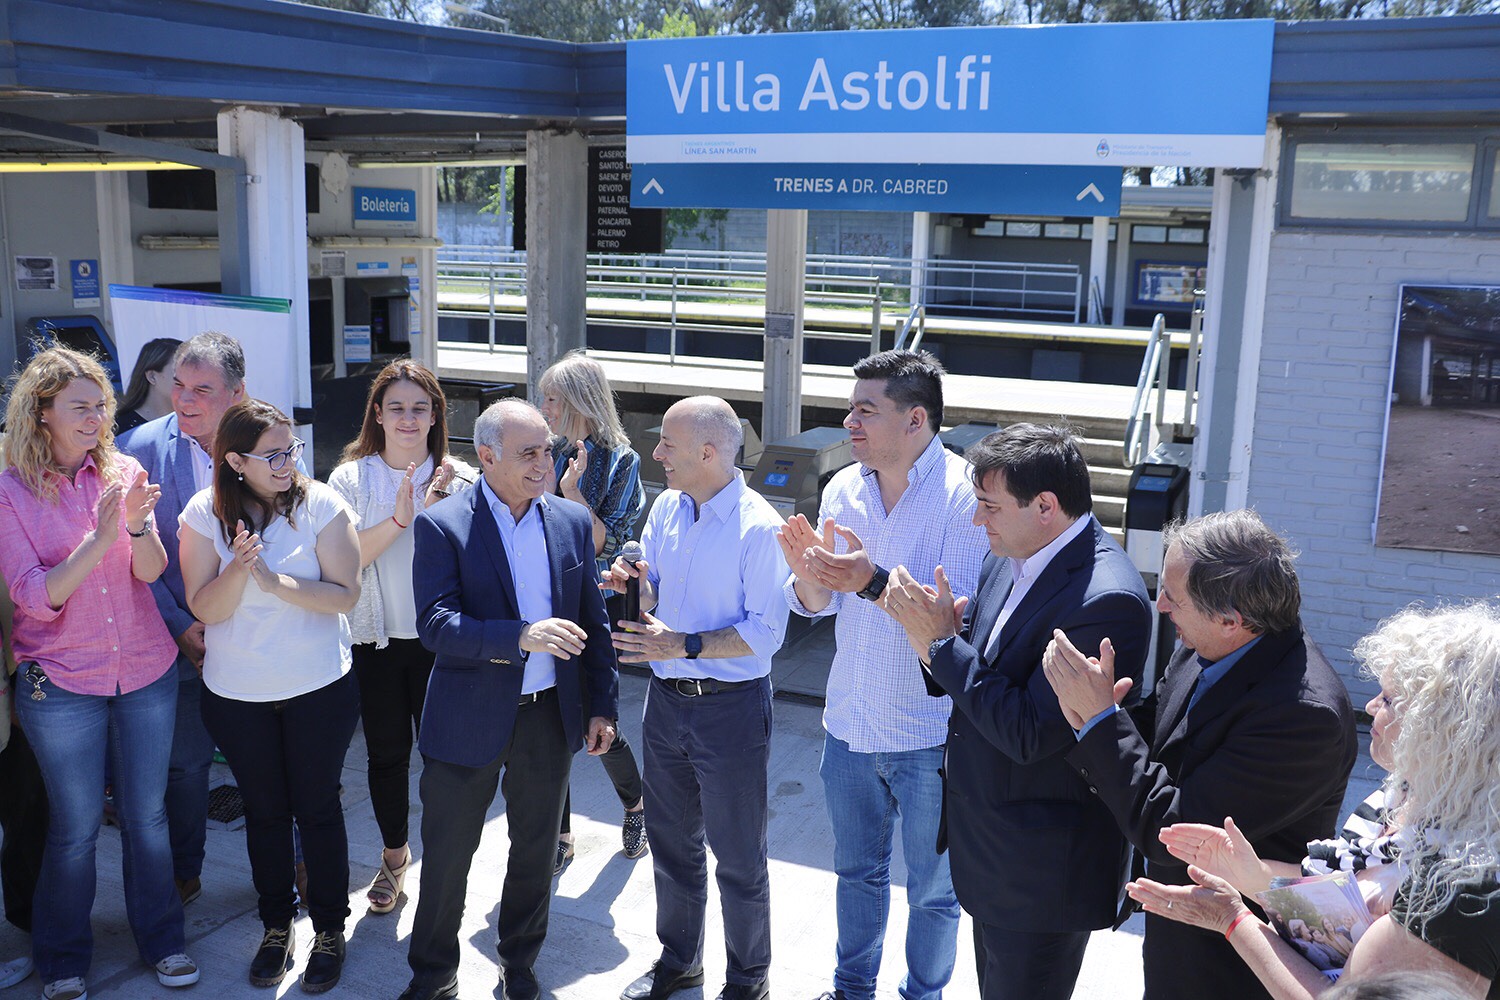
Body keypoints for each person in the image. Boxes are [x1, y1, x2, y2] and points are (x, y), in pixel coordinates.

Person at [883, 422, 1152, 1000]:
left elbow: (1031, 733)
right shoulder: (1011, 554)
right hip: (995, 855)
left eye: (989, 506)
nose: (976, 520)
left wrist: (940, 645)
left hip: (1042, 877)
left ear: (1045, 506)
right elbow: (987, 674)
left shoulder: (1105, 599)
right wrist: (944, 640)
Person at [1043, 508, 1358, 1000]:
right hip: (1178, 941)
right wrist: (1099, 712)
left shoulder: (1303, 717)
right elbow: (1160, 741)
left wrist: (1103, 723)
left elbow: (1175, 831)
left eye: (1174, 596)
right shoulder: (1206, 645)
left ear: (1231, 620)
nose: (1160, 604)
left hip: (1233, 966)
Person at [1129, 603, 1500, 1000]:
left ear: (1446, 730)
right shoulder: (1402, 795)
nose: (1371, 706)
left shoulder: (1460, 886)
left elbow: (1342, 995)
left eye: (1389, 700)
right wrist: (1250, 873)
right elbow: (1339, 902)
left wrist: (1233, 920)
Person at [776, 349, 981, 1000]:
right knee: (855, 875)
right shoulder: (844, 488)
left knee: (934, 892)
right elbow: (816, 605)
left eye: (866, 410)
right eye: (851, 408)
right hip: (850, 723)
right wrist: (809, 578)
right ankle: (851, 990)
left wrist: (869, 580)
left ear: (916, 419)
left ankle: (922, 994)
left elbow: (952, 624)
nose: (849, 422)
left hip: (931, 735)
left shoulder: (964, 496)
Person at [399, 398, 618, 1000]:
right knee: (447, 857)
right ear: (486, 456)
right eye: (529, 453)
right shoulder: (443, 524)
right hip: (466, 719)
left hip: (548, 718)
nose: (544, 464)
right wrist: (518, 637)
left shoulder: (571, 522)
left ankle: (519, 964)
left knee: (536, 853)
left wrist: (602, 705)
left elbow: (594, 623)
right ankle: (433, 975)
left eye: (547, 450)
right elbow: (435, 625)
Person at [0, 346, 199, 1000]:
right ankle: (62, 959)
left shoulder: (124, 469)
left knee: (147, 818)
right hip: (60, 683)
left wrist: (138, 529)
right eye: (80, 407)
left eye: (101, 407)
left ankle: (164, 942)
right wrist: (98, 537)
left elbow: (150, 572)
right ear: (42, 411)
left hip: (145, 669)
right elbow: (36, 596)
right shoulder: (10, 490)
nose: (95, 418)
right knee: (75, 828)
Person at [607, 396, 789, 1000]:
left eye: (668, 443)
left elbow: (765, 634)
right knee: (672, 845)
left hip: (731, 710)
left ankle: (748, 979)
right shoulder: (667, 505)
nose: (656, 452)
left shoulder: (759, 528)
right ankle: (680, 961)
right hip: (665, 703)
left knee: (737, 857)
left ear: (708, 453)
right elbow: (657, 591)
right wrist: (635, 588)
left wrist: (679, 644)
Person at [178, 399, 361, 993]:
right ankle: (276, 927)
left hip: (318, 689)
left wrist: (274, 581)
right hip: (237, 695)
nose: (289, 463)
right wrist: (237, 569)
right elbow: (204, 608)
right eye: (273, 455)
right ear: (235, 461)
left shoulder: (321, 505)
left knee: (318, 809)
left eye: (292, 449)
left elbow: (345, 595)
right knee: (265, 814)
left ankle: (329, 930)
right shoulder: (204, 513)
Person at [328, 359, 477, 915]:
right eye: (397, 407)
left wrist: (438, 515)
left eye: (420, 407)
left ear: (436, 415)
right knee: (386, 756)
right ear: (377, 414)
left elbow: (478, 567)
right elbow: (344, 561)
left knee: (446, 762)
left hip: (445, 643)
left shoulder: (462, 478)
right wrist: (401, 518)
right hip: (377, 642)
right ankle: (394, 856)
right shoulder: (350, 479)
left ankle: (444, 864)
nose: (408, 418)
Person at [118, 332, 248, 908]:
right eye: (178, 385)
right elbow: (127, 558)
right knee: (185, 767)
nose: (184, 399)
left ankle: (294, 865)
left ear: (237, 392)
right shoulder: (134, 450)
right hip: (175, 640)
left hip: (255, 638)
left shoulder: (269, 445)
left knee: (268, 764)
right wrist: (179, 624)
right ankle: (183, 873)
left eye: (202, 389)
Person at [537, 351, 647, 872]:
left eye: (552, 398)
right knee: (549, 724)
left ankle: (636, 805)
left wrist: (571, 492)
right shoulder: (544, 449)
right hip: (543, 601)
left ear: (579, 400)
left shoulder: (622, 460)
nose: (544, 407)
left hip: (594, 604)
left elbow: (606, 543)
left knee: (596, 720)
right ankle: (561, 834)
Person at [115, 337, 182, 434]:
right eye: (179, 371)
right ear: (152, 376)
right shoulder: (118, 430)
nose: (189, 378)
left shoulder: (195, 423)